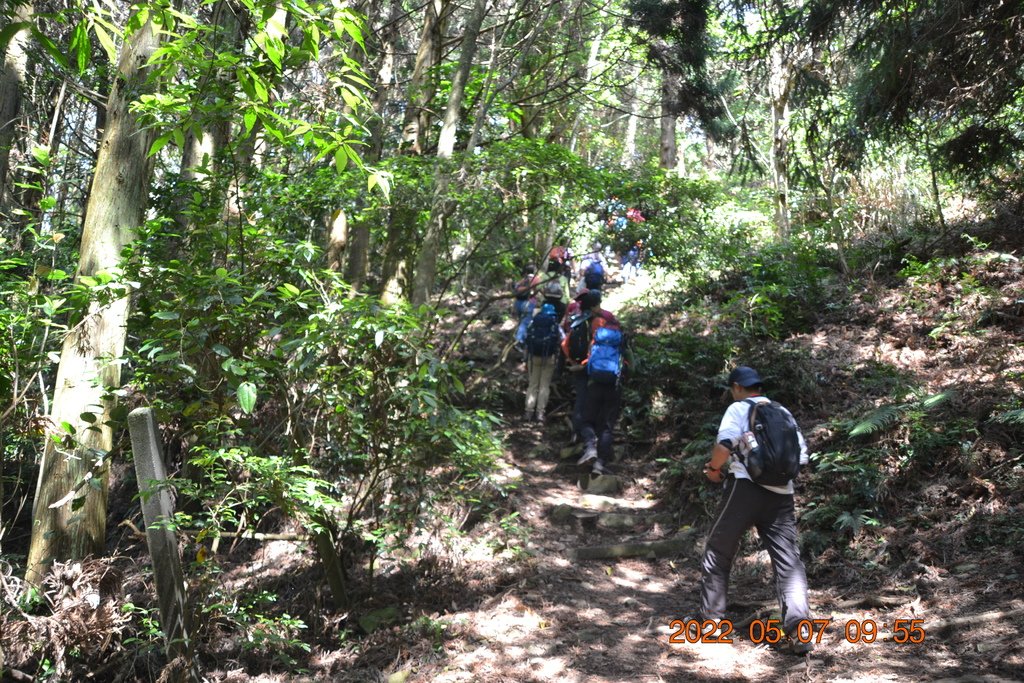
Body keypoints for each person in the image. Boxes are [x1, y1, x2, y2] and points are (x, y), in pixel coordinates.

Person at [698, 365, 813, 654]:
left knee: (717, 551)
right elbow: (802, 456)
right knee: (789, 561)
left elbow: (724, 445)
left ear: (737, 387)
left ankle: (711, 624)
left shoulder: (738, 409)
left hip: (745, 489)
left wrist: (713, 469)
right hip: (782, 496)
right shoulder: (782, 411)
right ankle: (800, 630)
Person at [562, 289, 620, 444]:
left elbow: (564, 344)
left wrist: (574, 362)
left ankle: (577, 434)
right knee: (599, 402)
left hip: (582, 367)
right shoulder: (606, 318)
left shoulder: (579, 320)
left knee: (581, 399)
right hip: (602, 367)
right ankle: (596, 439)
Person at [523, 303, 564, 422]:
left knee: (533, 384)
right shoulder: (555, 324)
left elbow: (527, 339)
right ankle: (540, 413)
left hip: (533, 357)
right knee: (544, 386)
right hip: (549, 358)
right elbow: (562, 339)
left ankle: (528, 411)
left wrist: (525, 358)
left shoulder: (533, 323)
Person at [512, 265, 536, 349]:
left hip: (518, 302)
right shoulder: (534, 279)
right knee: (525, 322)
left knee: (521, 321)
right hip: (528, 303)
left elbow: (516, 288)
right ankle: (519, 341)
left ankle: (521, 338)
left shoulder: (523, 279)